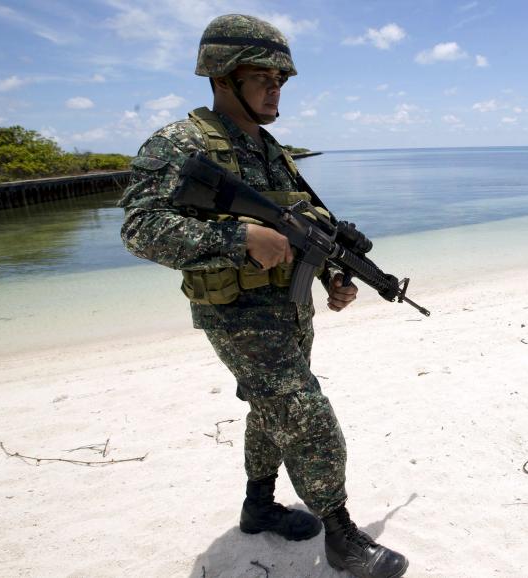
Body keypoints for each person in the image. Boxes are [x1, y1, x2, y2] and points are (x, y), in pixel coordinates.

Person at [118, 14, 408, 578]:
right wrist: (240, 238)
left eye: (281, 80)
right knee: (305, 412)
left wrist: (333, 277)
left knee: (269, 409)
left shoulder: (274, 150)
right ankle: (342, 535)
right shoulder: (179, 142)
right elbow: (139, 230)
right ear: (223, 77)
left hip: (289, 310)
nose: (276, 89)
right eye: (263, 78)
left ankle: (259, 506)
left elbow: (304, 229)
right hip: (236, 312)